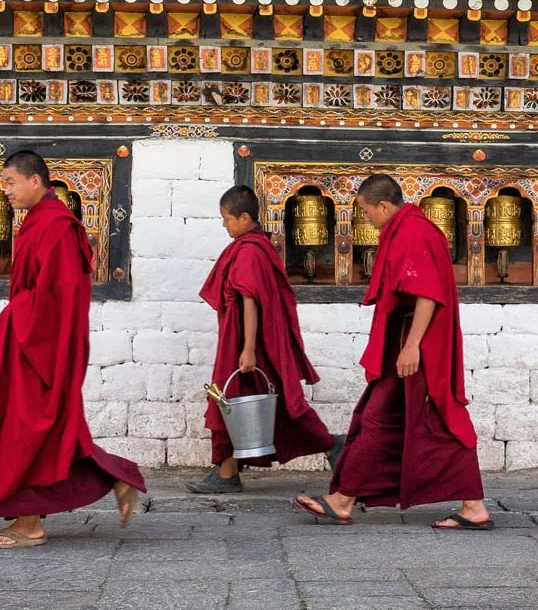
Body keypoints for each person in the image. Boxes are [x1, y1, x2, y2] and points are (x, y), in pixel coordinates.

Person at [0, 150, 146, 549]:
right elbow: (32, 291)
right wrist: (1, 323)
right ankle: (116, 478)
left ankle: (30, 524)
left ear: (36, 181)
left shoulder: (58, 227)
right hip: (25, 339)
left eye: (12, 183)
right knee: (41, 432)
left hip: (42, 349)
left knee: (25, 430)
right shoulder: (38, 222)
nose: (7, 191)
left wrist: (15, 325)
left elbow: (59, 300)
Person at [294, 175, 493, 530]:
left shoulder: (413, 232)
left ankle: (343, 500)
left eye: (367, 211)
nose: (367, 219)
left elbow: (428, 293)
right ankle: (345, 499)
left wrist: (412, 346)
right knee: (389, 419)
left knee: (429, 416)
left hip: (418, 342)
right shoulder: (409, 228)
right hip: (405, 338)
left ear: (384, 206)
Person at [187, 185, 334, 494]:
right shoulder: (254, 246)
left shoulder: (250, 251)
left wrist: (248, 350)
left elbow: (250, 301)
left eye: (226, 219)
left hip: (242, 341)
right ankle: (227, 473)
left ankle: (331, 444)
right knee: (239, 401)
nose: (224, 225)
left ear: (244, 217)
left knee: (229, 400)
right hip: (240, 338)